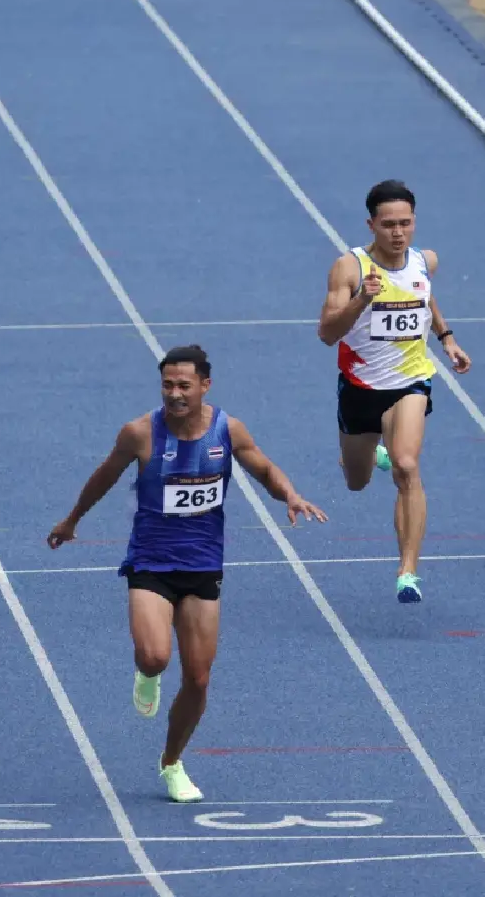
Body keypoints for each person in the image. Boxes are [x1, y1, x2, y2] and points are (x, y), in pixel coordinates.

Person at [47, 344, 324, 804]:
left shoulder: (227, 430)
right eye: (167, 385)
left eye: (184, 386)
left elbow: (264, 469)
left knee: (197, 679)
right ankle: (147, 673)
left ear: (205, 386)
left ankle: (171, 762)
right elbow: (104, 476)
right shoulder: (140, 433)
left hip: (203, 565)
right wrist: (72, 520)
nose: (175, 394)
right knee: (156, 656)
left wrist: (290, 496)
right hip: (151, 563)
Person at [316, 180, 471, 604]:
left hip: (410, 382)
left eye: (405, 223)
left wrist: (447, 338)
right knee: (357, 481)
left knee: (407, 465)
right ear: (371, 225)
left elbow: (425, 297)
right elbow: (326, 334)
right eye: (388, 225)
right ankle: (372, 455)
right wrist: (360, 301)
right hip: (360, 389)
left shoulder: (425, 260)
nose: (398, 233)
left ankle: (408, 572)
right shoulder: (349, 269)